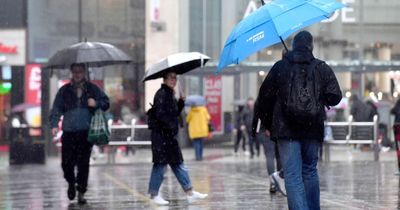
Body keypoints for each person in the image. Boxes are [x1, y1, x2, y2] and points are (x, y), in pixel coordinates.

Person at [254, 31, 342, 210]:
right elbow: (335, 96)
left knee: (293, 176)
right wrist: (321, 98)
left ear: (293, 47)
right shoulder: (321, 68)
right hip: (312, 128)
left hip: (287, 131)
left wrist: (269, 123)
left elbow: (264, 97)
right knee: (310, 171)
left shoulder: (280, 67)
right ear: (311, 46)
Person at [49, 63, 110, 204]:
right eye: (75, 71)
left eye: (80, 71)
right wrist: (54, 124)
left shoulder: (92, 88)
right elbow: (56, 108)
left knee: (83, 164)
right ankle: (71, 182)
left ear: (84, 72)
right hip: (69, 132)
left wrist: (96, 103)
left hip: (85, 133)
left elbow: (106, 102)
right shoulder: (64, 91)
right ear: (72, 73)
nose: (77, 74)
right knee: (66, 163)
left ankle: (81, 191)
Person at [147, 71, 208, 206]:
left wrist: (181, 101)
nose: (173, 80)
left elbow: (173, 113)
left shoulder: (169, 94)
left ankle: (190, 193)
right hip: (162, 136)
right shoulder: (162, 94)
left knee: (178, 163)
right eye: (171, 78)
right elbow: (161, 114)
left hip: (168, 136)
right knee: (160, 164)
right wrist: (171, 126)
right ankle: (154, 194)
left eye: (175, 78)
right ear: (165, 79)